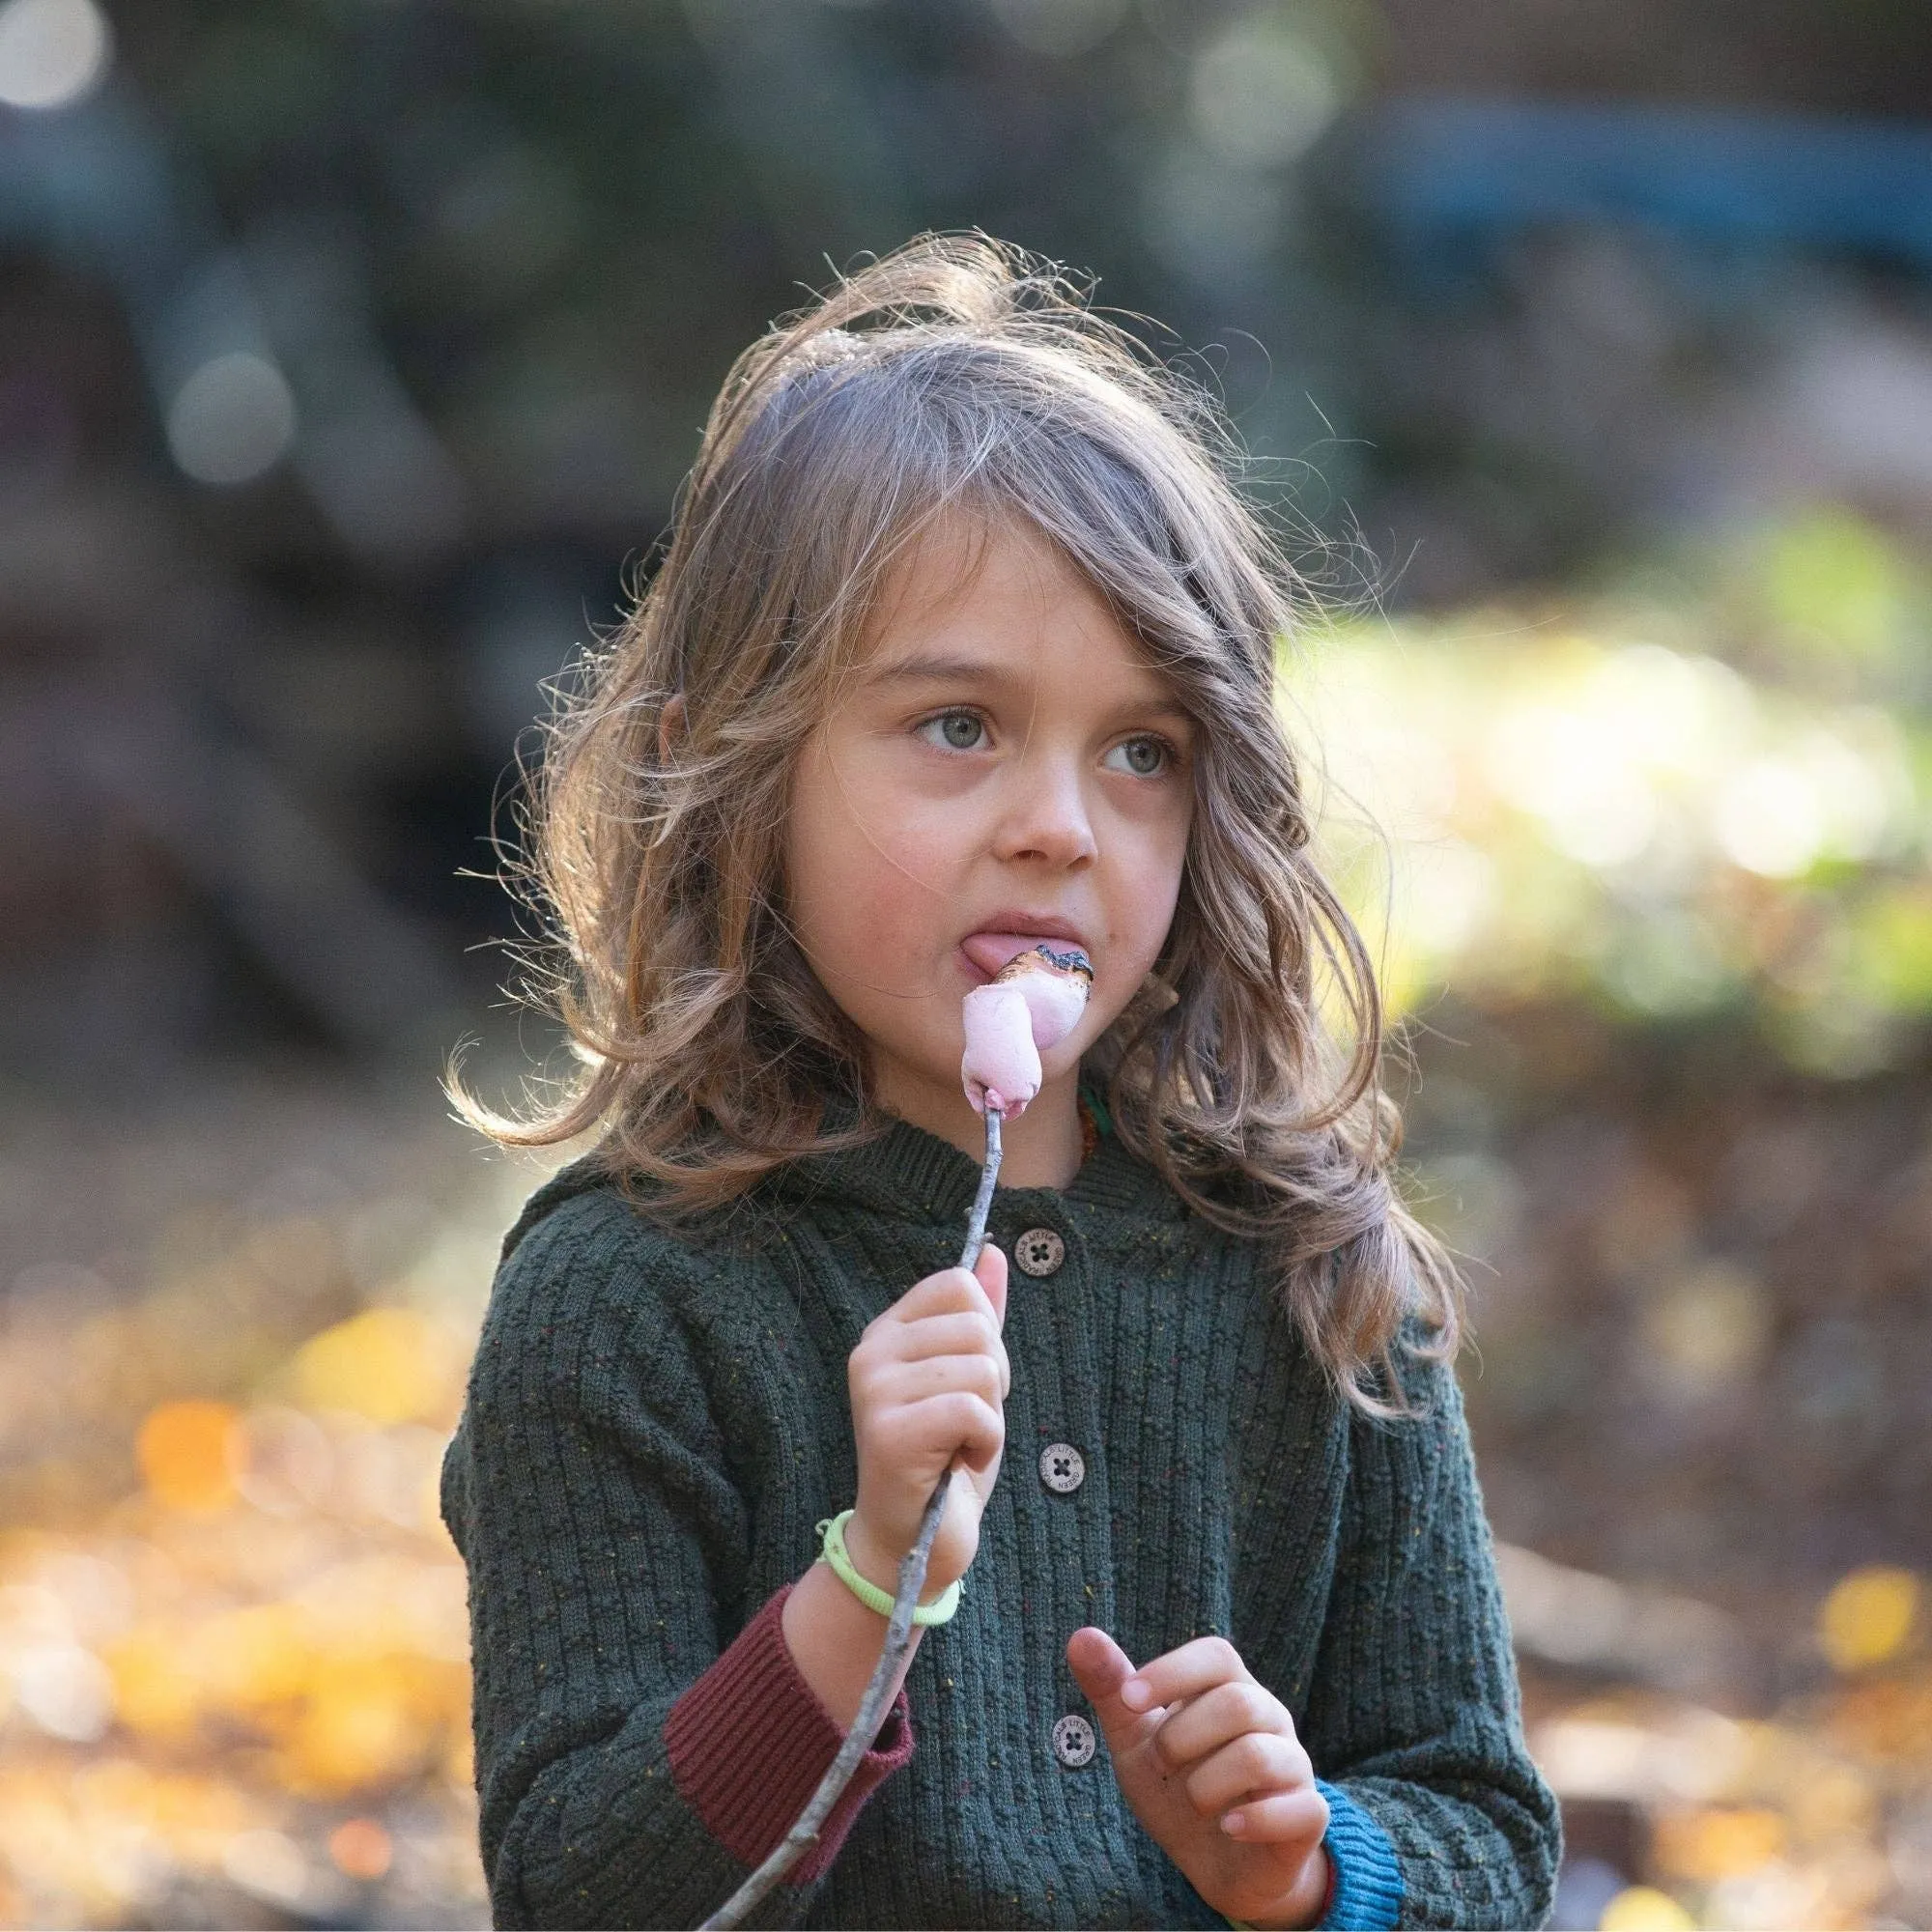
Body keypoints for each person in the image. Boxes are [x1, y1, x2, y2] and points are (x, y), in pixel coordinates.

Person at [440, 234, 1562, 1931]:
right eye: (960, 725)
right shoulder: (628, 1299)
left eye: (1142, 751)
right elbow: (580, 1889)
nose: (1061, 821)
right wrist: (866, 1577)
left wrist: (1314, 1860)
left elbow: (1479, 1816)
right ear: (735, 762)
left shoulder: (1316, 1275)